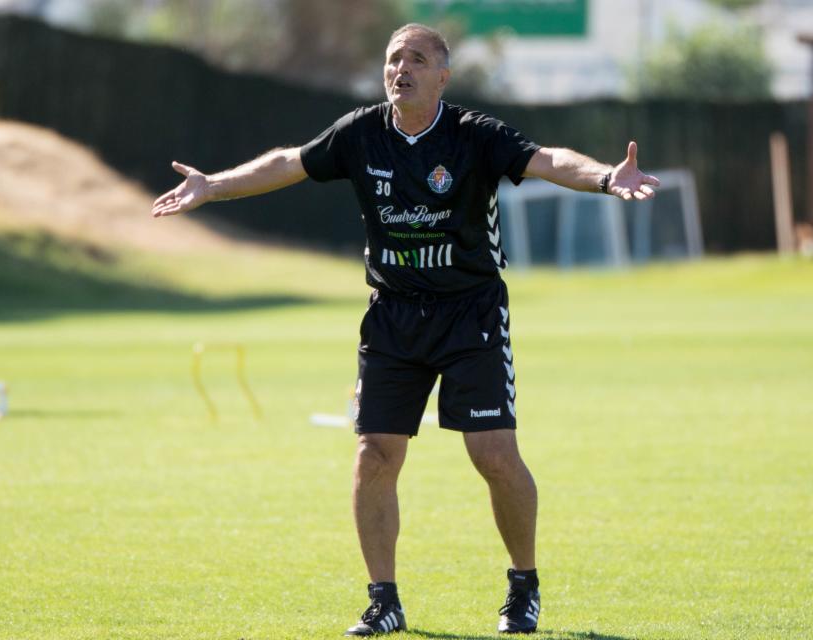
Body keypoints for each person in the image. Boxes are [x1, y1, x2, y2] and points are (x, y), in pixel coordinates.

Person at [152, 23, 659, 636]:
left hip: (469, 312)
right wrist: (214, 186)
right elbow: (290, 162)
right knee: (374, 454)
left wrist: (606, 176)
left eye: (417, 60)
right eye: (394, 59)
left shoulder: (476, 136)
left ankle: (522, 585)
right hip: (392, 315)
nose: (401, 69)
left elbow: (547, 159)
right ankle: (383, 600)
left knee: (494, 454)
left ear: (442, 76)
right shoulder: (360, 134)